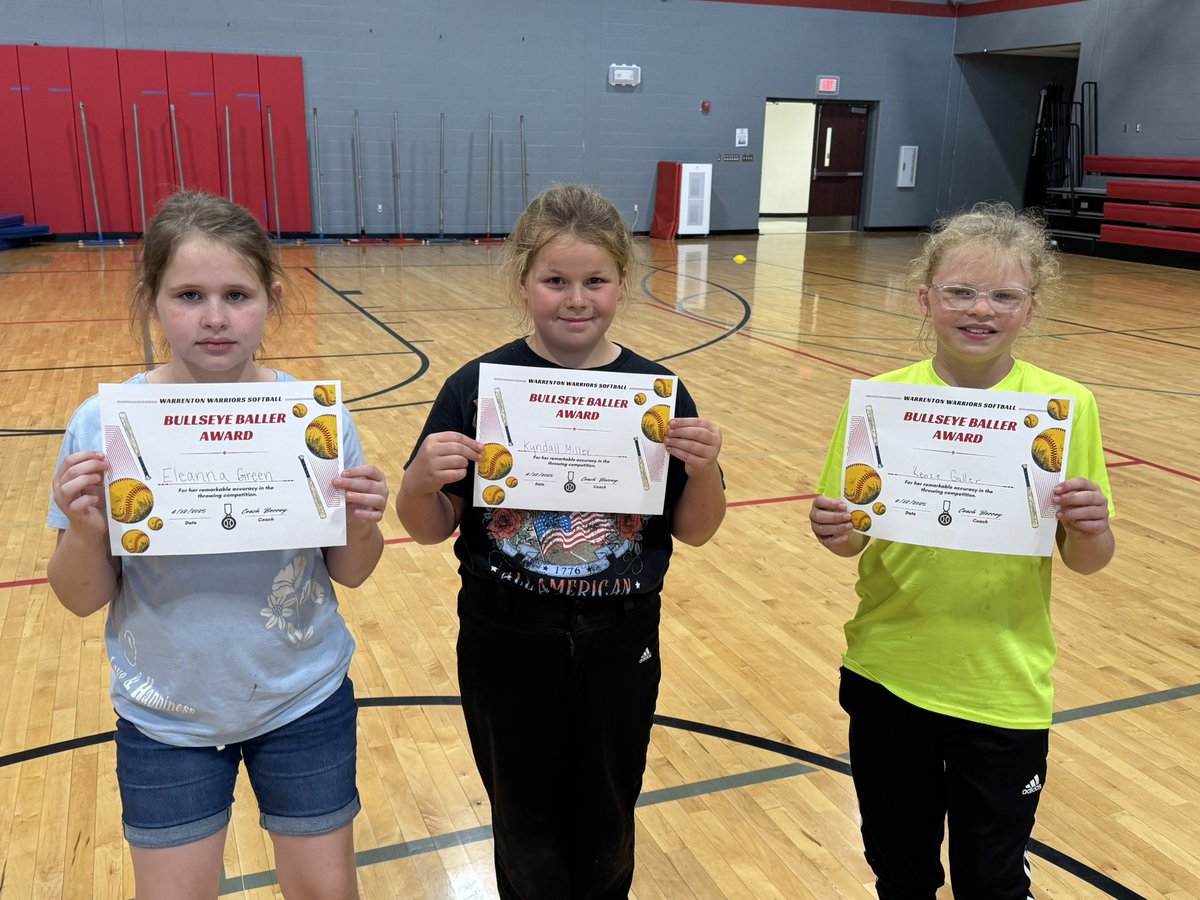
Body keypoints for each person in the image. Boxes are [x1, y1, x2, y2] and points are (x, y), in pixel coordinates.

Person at [47, 191, 388, 899]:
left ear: (272, 298)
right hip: (163, 710)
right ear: (151, 299)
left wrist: (360, 518)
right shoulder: (103, 425)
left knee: (328, 893)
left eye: (236, 294)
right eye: (189, 295)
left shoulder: (310, 419)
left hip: (302, 698)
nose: (213, 317)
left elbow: (352, 573)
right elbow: (80, 598)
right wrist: (85, 529)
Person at [396, 183, 726, 899]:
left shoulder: (657, 392)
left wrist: (704, 470)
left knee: (608, 819)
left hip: (620, 634)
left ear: (622, 285)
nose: (575, 299)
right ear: (523, 284)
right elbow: (426, 528)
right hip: (504, 632)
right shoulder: (476, 386)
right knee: (524, 825)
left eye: (594, 281)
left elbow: (696, 530)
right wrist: (421, 480)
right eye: (555, 281)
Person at [809, 201, 1115, 899]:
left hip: (1002, 685)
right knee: (901, 867)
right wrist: (835, 528)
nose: (982, 310)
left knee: (992, 879)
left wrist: (1093, 526)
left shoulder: (1066, 408)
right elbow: (851, 537)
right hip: (889, 671)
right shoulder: (882, 402)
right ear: (925, 298)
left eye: (1005, 295)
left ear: (1031, 307)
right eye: (960, 292)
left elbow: (1087, 558)